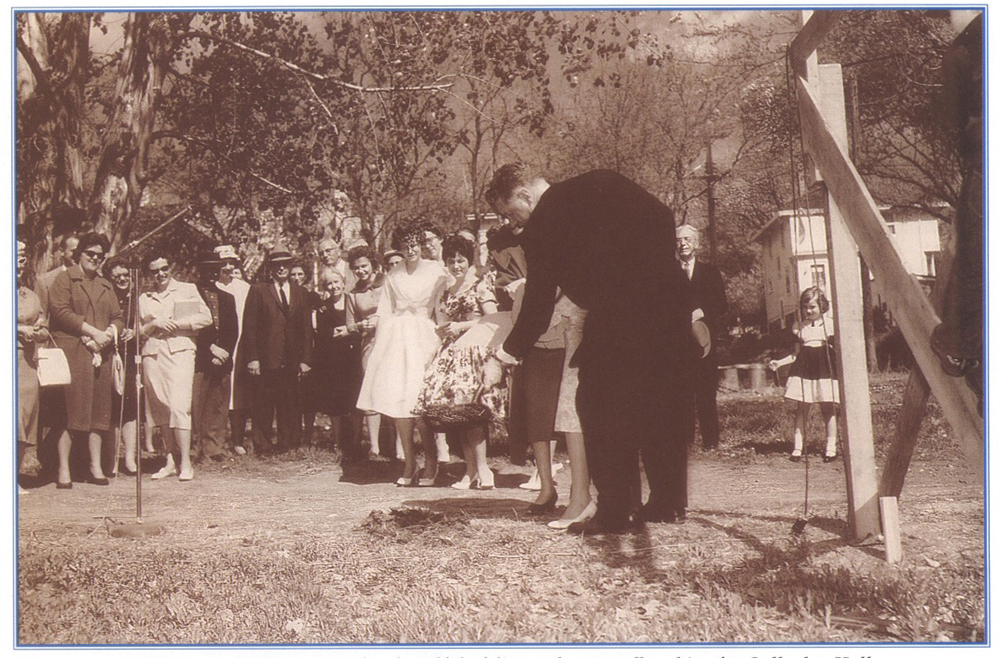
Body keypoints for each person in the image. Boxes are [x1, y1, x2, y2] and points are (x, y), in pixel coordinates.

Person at [484, 164, 693, 535]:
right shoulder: (603, 180)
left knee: (598, 403)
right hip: (670, 302)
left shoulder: (543, 225)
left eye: (510, 213)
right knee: (660, 401)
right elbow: (664, 215)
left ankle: (616, 510)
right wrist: (653, 267)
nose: (513, 224)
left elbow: (537, 304)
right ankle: (667, 502)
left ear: (525, 196)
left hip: (620, 312)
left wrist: (504, 354)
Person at [356, 226, 448, 486]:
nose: (411, 250)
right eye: (406, 246)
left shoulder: (435, 270)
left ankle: (431, 461)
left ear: (421, 244)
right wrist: (378, 341)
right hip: (397, 339)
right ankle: (410, 462)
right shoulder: (393, 275)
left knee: (421, 404)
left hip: (424, 336)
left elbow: (443, 305)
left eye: (415, 244)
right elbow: (385, 311)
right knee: (400, 402)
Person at [415, 235, 499, 489]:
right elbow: (438, 319)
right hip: (451, 353)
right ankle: (470, 470)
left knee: (472, 412)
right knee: (457, 413)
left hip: (474, 352)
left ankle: (484, 469)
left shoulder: (480, 286)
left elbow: (494, 319)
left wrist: (460, 326)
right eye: (451, 261)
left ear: (469, 261)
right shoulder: (446, 288)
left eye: (461, 260)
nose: (456, 265)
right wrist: (442, 330)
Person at [47, 232, 125, 488]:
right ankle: (64, 470)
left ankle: (95, 466)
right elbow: (60, 311)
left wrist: (108, 335)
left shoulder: (105, 284)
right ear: (79, 254)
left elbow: (117, 316)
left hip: (101, 354)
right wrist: (92, 332)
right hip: (74, 352)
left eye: (100, 256)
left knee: (99, 413)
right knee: (70, 412)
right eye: (90, 254)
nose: (95, 258)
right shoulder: (65, 278)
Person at [139, 250, 213, 481]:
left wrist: (177, 324)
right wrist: (153, 323)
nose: (160, 274)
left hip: (180, 352)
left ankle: (186, 463)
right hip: (152, 354)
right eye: (154, 271)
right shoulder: (144, 298)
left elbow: (206, 317)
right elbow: (137, 330)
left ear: (170, 267)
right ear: (148, 274)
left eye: (164, 269)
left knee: (179, 405)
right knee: (161, 407)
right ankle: (169, 460)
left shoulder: (187, 290)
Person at [240, 244, 313, 453]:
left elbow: (306, 329)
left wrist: (306, 359)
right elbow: (249, 327)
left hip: (291, 358)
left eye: (285, 265)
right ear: (271, 268)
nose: (281, 269)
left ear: (290, 267)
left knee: (289, 402)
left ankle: (288, 444)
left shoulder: (300, 292)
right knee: (263, 404)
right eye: (277, 265)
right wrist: (252, 358)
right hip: (266, 358)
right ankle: (263, 445)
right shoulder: (259, 290)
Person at [768, 287, 839, 463]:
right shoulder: (799, 327)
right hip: (804, 372)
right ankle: (798, 447)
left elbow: (838, 351)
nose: (808, 311)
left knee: (828, 409)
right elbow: (796, 355)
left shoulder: (830, 325)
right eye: (805, 307)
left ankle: (831, 447)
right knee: (802, 409)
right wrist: (779, 362)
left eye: (813, 307)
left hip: (824, 371)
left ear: (822, 305)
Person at [676, 224, 728, 449]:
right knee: (682, 393)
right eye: (678, 240)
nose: (683, 243)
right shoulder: (667, 272)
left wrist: (702, 311)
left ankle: (711, 441)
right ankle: (685, 441)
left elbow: (721, 304)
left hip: (704, 342)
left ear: (696, 243)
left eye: (687, 239)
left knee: (706, 393)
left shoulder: (710, 273)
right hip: (677, 343)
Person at [307, 268, 362, 456]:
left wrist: (349, 330)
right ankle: (338, 442)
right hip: (333, 360)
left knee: (355, 400)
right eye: (329, 283)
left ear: (343, 282)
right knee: (336, 403)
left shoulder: (352, 301)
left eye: (336, 282)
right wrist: (334, 332)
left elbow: (360, 327)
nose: (333, 286)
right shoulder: (323, 308)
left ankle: (356, 441)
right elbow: (321, 334)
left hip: (353, 358)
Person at [192, 250, 239, 462]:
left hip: (222, 359)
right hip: (200, 358)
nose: (211, 274)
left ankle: (215, 447)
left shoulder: (227, 298)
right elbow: (193, 328)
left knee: (218, 404)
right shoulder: (190, 294)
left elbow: (233, 330)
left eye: (215, 270)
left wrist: (224, 352)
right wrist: (210, 349)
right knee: (197, 403)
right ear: (199, 271)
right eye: (206, 269)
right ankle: (196, 449)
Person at [345, 245, 388, 459]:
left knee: (393, 389)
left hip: (390, 341)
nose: (361, 271)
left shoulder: (388, 284)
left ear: (373, 264)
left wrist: (381, 321)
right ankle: (375, 446)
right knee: (371, 390)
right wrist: (363, 326)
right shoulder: (353, 294)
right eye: (356, 268)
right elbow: (350, 325)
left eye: (364, 266)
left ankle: (398, 446)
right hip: (369, 345)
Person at [16, 240, 50, 493]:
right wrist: (20, 329)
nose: (21, 262)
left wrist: (39, 332)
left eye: (23, 257)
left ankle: (13, 476)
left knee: (24, 417)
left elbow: (42, 322)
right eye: (16, 256)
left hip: (27, 362)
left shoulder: (29, 294)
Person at [104, 257, 142, 473]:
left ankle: (129, 458)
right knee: (111, 407)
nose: (122, 279)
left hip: (132, 358)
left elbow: (146, 323)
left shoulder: (138, 298)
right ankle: (111, 459)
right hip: (111, 355)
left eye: (125, 275)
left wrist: (135, 331)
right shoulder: (107, 297)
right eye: (116, 276)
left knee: (130, 408)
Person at [214, 244, 252, 455]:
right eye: (223, 263)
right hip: (218, 346)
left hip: (240, 346)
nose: (227, 267)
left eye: (231, 263)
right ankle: (215, 440)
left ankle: (237, 440)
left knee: (238, 394)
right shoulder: (212, 287)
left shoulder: (243, 288)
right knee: (218, 393)